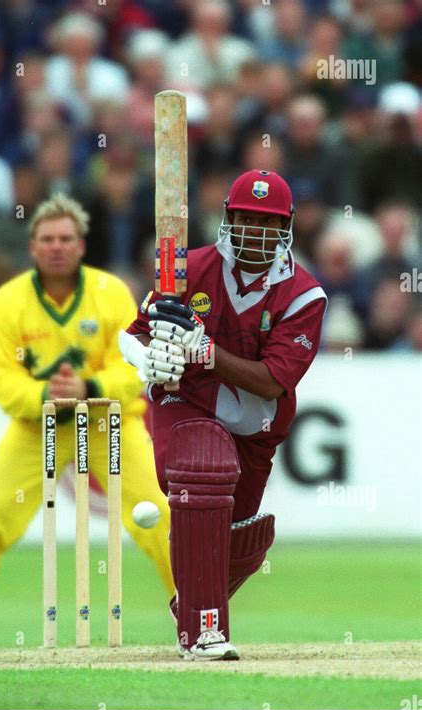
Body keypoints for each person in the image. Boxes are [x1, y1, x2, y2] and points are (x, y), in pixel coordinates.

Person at [119, 170, 327, 660]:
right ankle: (203, 631)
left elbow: (273, 380)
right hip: (183, 398)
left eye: (267, 222)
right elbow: (134, 331)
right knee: (203, 469)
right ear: (228, 219)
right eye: (246, 219)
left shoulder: (303, 295)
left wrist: (206, 350)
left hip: (255, 424)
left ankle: (190, 605)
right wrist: (145, 359)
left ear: (286, 228)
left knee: (245, 538)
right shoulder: (186, 267)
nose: (255, 231)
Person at [0, 193, 174, 644]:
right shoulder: (10, 302)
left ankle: (193, 610)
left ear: (81, 246)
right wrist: (46, 395)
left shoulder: (110, 293)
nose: (56, 247)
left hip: (106, 424)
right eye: (47, 239)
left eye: (65, 238)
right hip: (38, 428)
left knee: (159, 513)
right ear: (32, 248)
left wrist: (88, 389)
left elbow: (135, 366)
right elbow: (0, 378)